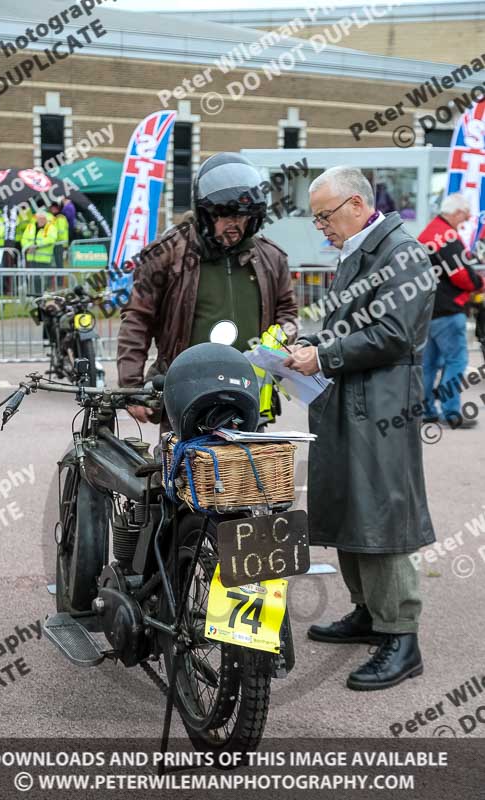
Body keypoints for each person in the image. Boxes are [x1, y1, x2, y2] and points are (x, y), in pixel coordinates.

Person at [284, 166, 436, 691]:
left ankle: (401, 636)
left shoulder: (403, 253)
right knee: (353, 505)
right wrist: (306, 342)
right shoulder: (366, 251)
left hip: (380, 407)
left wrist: (322, 353)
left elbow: (394, 334)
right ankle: (368, 613)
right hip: (354, 403)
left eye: (324, 215)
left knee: (383, 515)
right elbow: (356, 327)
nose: (320, 226)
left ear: (354, 204)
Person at [116, 151, 298, 426]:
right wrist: (131, 388)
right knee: (181, 468)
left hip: (249, 394)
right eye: (223, 215)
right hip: (184, 392)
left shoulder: (272, 258)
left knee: (247, 469)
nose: (233, 224)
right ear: (205, 213)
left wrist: (279, 342)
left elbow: (288, 313)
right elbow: (137, 319)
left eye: (241, 216)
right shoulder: (166, 254)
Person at [418, 193, 485, 428]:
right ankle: (451, 412)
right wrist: (479, 283)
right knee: (456, 362)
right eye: (464, 218)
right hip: (448, 309)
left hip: (428, 309)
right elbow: (461, 275)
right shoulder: (446, 236)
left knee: (428, 364)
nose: (464, 222)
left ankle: (426, 410)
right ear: (456, 213)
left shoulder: (430, 232)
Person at [21, 210, 58, 295]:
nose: (41, 220)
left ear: (46, 218)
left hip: (44, 259)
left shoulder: (51, 227)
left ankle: (41, 296)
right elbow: (24, 238)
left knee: (42, 280)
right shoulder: (30, 226)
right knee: (31, 278)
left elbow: (51, 239)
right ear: (36, 218)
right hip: (31, 258)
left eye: (43, 218)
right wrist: (28, 247)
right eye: (39, 218)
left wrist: (36, 246)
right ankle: (33, 295)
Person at [49, 202, 70, 270]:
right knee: (57, 264)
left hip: (59, 244)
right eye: (52, 208)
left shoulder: (60, 217)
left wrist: (63, 245)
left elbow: (61, 232)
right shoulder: (55, 217)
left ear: (57, 209)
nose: (52, 209)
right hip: (57, 243)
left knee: (59, 265)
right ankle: (58, 279)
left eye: (54, 208)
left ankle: (60, 280)